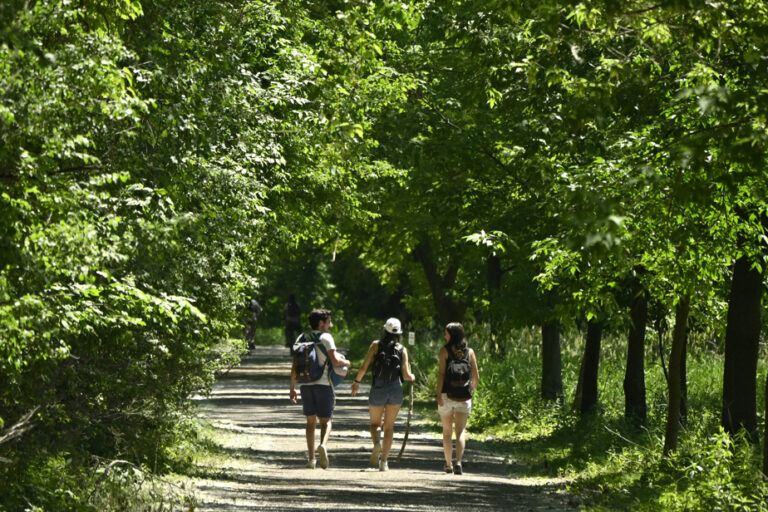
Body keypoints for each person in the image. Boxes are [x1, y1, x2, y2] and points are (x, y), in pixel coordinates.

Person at [289, 308, 351, 469]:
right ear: (321, 323)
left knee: (310, 423)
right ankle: (323, 445)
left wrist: (292, 388)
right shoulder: (326, 338)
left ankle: (311, 459)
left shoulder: (301, 337)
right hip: (323, 384)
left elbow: (296, 364)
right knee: (326, 420)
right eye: (329, 322)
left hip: (305, 385)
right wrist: (347, 363)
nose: (331, 325)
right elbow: (336, 361)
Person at [350, 317, 415, 472]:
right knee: (389, 427)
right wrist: (412, 377)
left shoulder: (375, 345)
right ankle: (384, 462)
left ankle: (377, 444)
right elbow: (406, 375)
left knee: (375, 424)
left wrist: (356, 382)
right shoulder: (402, 349)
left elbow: (364, 367)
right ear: (399, 333)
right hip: (395, 390)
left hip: (378, 387)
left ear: (384, 330)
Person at [436, 322, 479, 475]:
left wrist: (438, 393)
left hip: (447, 395)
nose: (444, 335)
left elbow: (441, 374)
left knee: (447, 432)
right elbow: (476, 377)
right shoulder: (470, 352)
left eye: (446, 333)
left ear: (452, 335)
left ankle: (448, 465)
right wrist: (469, 389)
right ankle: (458, 462)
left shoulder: (444, 351)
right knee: (460, 432)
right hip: (464, 396)